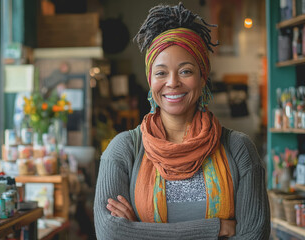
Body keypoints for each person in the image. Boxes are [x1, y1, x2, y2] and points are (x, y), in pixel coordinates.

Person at [94, 3, 270, 239]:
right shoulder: (124, 149)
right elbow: (110, 234)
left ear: (202, 76)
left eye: (186, 71)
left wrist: (138, 231)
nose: (173, 82)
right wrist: (216, 228)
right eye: (161, 72)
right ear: (150, 80)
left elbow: (255, 235)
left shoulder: (239, 149)